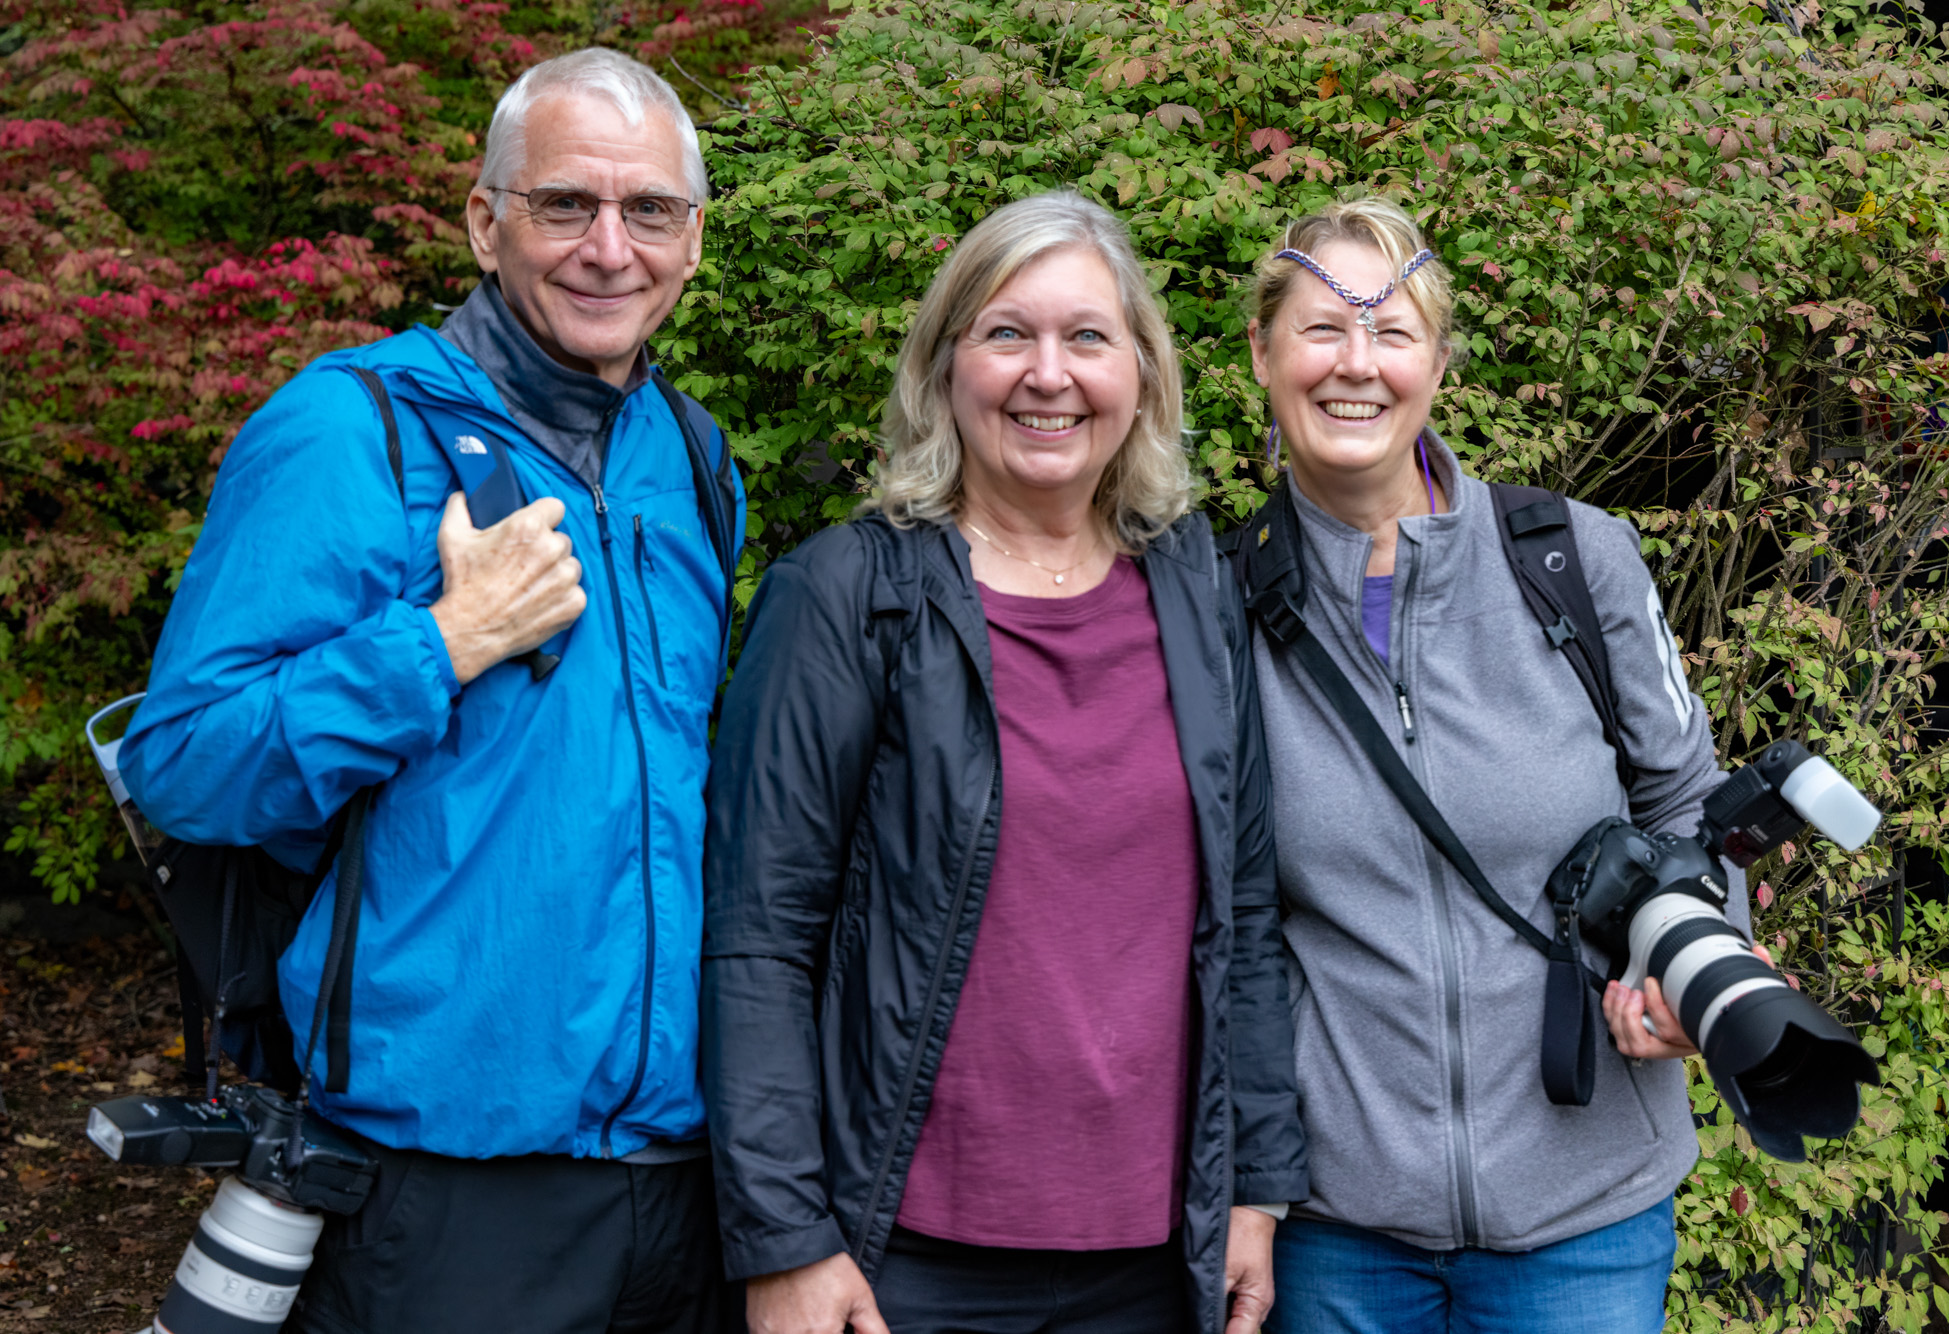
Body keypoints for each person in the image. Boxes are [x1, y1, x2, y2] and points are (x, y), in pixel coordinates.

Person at [118, 47, 743, 1334]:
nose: (609, 248)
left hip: (680, 1185)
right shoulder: (355, 425)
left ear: (692, 243)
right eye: (566, 203)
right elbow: (182, 756)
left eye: (650, 212)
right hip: (440, 1198)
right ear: (483, 220)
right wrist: (441, 643)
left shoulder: (691, 453)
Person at [699, 190, 1307, 1334]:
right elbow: (758, 935)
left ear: (1140, 373)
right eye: (1004, 333)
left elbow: (1245, 910)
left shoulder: (1195, 591)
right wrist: (784, 1239)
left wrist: (1255, 1187)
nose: (1048, 373)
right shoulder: (843, 594)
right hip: (905, 1262)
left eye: (1087, 336)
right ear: (943, 368)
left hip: (1154, 1257)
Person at [1233, 197, 1776, 1334]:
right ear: (1260, 351)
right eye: (1321, 328)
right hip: (1335, 1228)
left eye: (1391, 333)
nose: (1355, 363)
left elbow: (1688, 804)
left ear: (1435, 361)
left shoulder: (1572, 556)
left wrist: (1687, 973)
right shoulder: (1214, 597)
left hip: (1583, 1220)